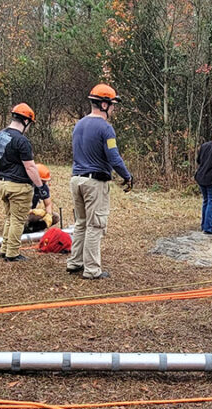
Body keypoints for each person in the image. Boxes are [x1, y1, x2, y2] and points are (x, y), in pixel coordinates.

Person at [67, 84, 133, 280]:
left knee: (81, 223)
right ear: (104, 104)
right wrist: (127, 176)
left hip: (76, 179)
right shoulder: (106, 128)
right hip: (94, 183)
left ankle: (75, 262)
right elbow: (114, 157)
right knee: (96, 225)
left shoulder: (79, 124)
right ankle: (92, 270)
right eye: (112, 105)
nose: (113, 109)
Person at [0, 103, 44, 261]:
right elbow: (30, 167)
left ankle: (4, 249)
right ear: (26, 121)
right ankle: (13, 253)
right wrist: (40, 187)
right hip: (19, 186)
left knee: (10, 218)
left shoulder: (0, 135)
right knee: (18, 220)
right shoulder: (22, 141)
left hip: (3, 183)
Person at [24, 163, 58, 233]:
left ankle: (34, 229)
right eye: (42, 181)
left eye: (45, 181)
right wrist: (30, 211)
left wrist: (48, 215)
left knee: (55, 217)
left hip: (33, 213)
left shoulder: (44, 187)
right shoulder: (25, 185)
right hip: (23, 213)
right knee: (24, 219)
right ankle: (24, 229)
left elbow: (48, 204)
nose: (43, 183)